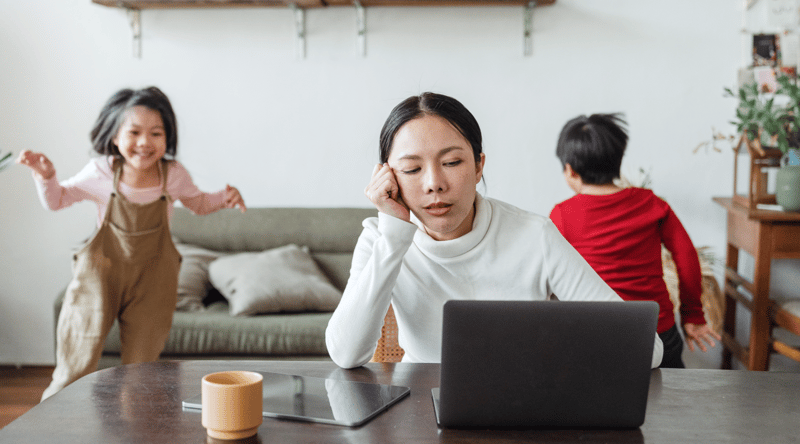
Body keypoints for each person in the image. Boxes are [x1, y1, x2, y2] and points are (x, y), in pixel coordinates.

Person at [325, 93, 663, 369]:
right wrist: (394, 236)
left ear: (478, 166)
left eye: (452, 163)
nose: (434, 185)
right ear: (388, 178)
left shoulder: (535, 235)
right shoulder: (380, 239)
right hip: (419, 409)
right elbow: (345, 354)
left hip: (522, 403)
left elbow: (646, 350)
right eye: (412, 169)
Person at [17, 86, 247, 400]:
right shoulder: (100, 172)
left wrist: (224, 198)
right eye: (134, 132)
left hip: (152, 282)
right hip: (99, 278)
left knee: (141, 374)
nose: (144, 142)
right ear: (114, 136)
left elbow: (198, 203)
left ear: (168, 138)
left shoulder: (173, 175)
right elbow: (57, 200)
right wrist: (46, 177)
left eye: (156, 133)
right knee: (74, 366)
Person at [549, 113, 721, 369]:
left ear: (570, 171)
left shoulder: (562, 215)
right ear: (618, 161)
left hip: (596, 336)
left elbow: (551, 273)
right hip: (657, 331)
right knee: (670, 402)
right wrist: (692, 314)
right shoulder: (652, 204)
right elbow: (686, 256)